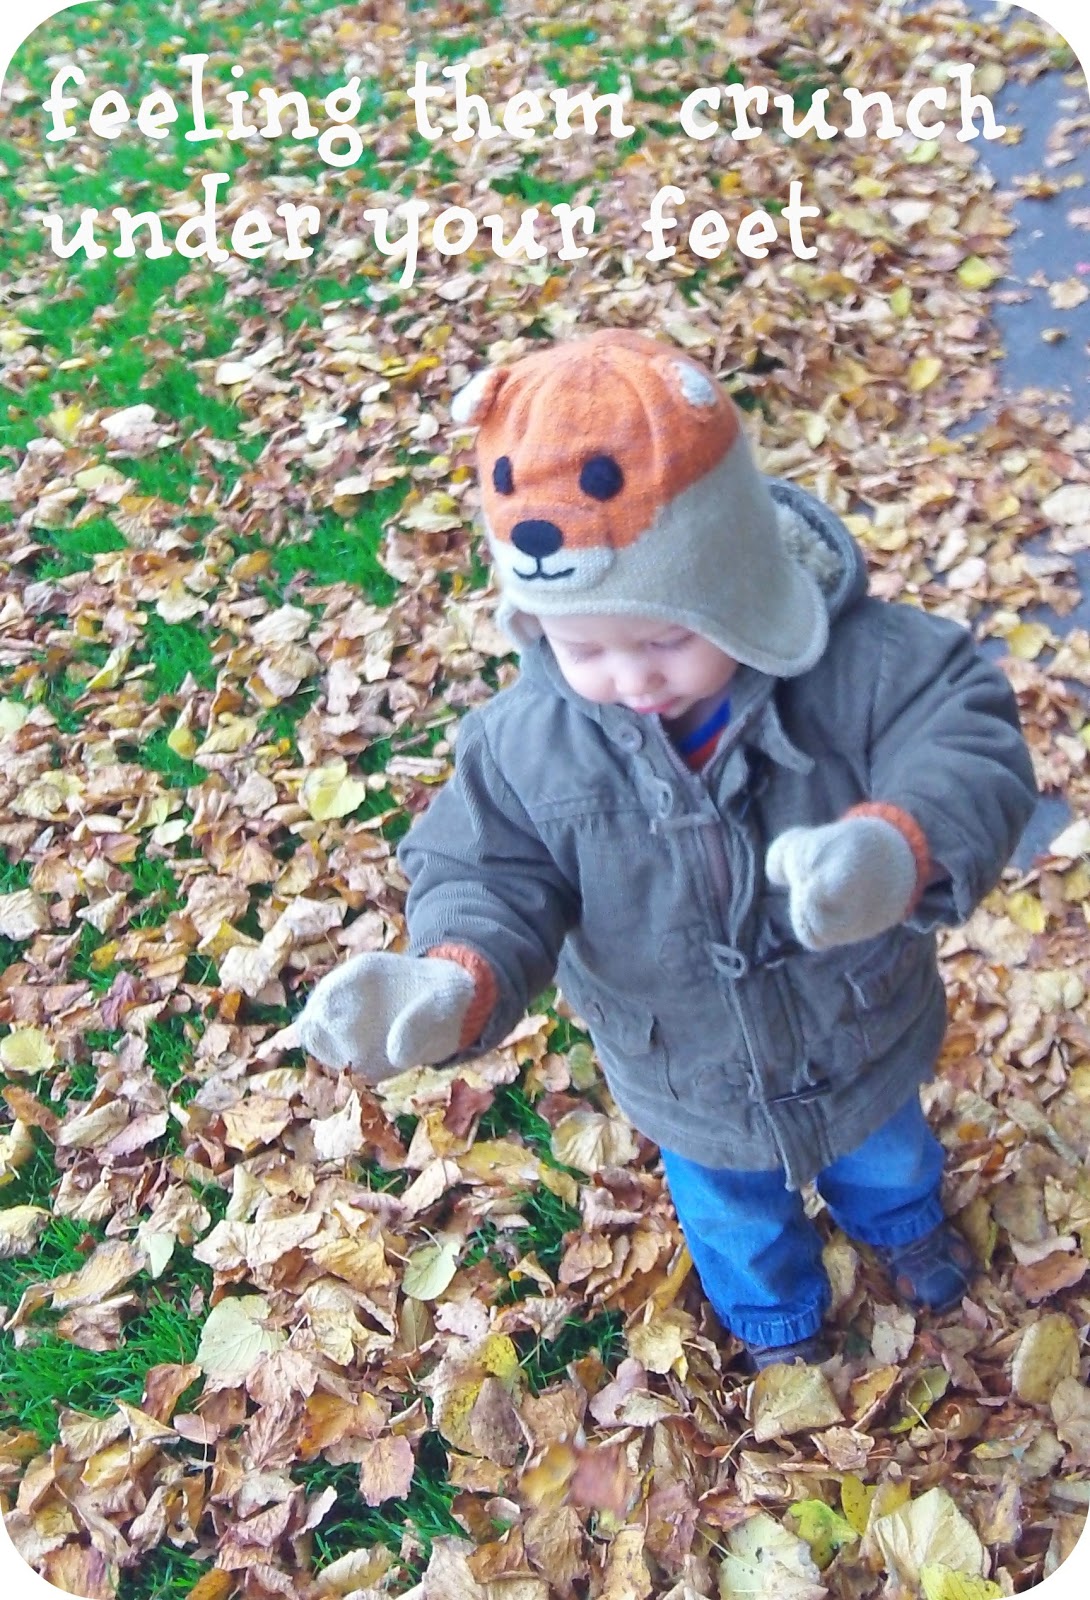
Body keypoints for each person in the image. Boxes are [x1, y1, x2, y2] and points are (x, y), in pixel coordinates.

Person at [295, 329, 1038, 1371]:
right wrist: (456, 975)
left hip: (856, 1029)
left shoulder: (859, 667)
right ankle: (776, 1320)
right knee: (734, 1214)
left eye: (666, 639)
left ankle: (904, 1225)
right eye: (583, 648)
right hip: (689, 1075)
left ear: (742, 587)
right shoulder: (524, 745)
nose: (632, 678)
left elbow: (963, 732)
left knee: (888, 1155)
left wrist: (898, 847)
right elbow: (489, 872)